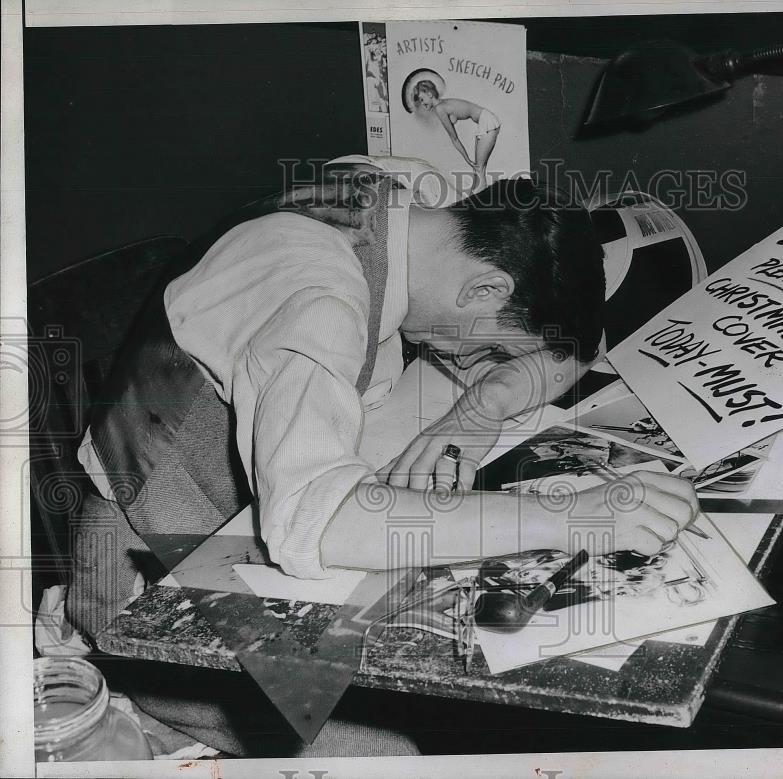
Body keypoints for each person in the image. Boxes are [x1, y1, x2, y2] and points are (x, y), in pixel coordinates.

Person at [66, 155, 700, 755]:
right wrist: (568, 517)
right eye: (493, 350)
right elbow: (314, 526)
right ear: (484, 288)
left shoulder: (408, 195)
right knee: (385, 749)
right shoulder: (319, 303)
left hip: (230, 520)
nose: (475, 368)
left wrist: (477, 411)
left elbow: (563, 356)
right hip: (141, 591)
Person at [413, 80, 499, 190]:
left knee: (479, 170)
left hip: (487, 122)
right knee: (479, 171)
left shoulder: (440, 108)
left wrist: (467, 159)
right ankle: (478, 200)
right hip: (486, 120)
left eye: (422, 99)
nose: (422, 103)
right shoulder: (442, 104)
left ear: (430, 94)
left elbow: (454, 138)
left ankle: (479, 201)